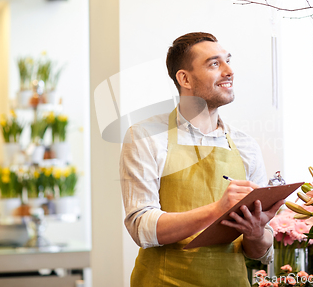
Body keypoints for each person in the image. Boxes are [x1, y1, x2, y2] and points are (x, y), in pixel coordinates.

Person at [120, 32, 284, 286]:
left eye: (228, 61)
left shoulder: (246, 146)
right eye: (214, 64)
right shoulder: (145, 137)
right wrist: (217, 210)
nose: (229, 71)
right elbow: (141, 227)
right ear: (184, 78)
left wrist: (255, 233)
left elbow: (260, 252)